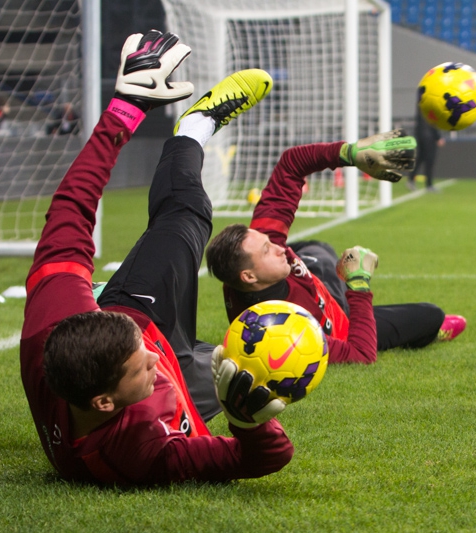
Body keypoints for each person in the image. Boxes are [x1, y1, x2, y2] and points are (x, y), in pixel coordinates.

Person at [21, 30, 292, 486]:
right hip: (177, 369)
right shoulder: (141, 453)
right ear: (105, 403)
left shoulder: (52, 321)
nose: (151, 356)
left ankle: (195, 127)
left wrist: (124, 110)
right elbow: (263, 458)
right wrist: (247, 421)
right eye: (141, 360)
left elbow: (70, 208)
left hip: (139, 307)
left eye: (140, 348)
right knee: (252, 377)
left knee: (188, 212)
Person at [205, 134, 466, 365]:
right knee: (430, 315)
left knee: (318, 249)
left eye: (269, 241)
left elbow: (291, 163)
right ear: (248, 276)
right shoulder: (283, 328)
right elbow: (360, 354)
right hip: (343, 324)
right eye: (266, 250)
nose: (278, 247)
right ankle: (429, 330)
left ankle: (326, 272)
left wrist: (349, 153)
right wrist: (359, 283)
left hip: (319, 286)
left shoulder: (256, 253)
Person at [408, 97, 445, 192]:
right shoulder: (431, 104)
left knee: (420, 158)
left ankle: (411, 180)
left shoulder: (421, 103)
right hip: (429, 137)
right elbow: (432, 122)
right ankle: (429, 185)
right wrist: (437, 137)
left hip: (420, 134)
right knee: (429, 161)